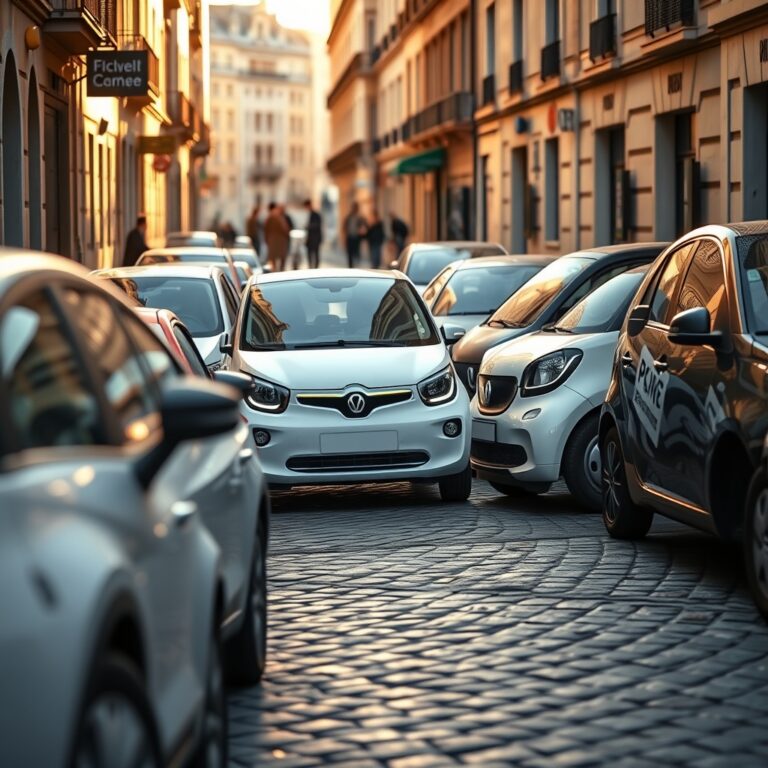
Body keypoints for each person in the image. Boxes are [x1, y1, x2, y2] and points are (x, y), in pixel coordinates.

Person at [264, 202, 290, 271]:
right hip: (281, 242)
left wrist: (266, 239)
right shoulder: (279, 217)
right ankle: (280, 271)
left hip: (272, 241)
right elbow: (285, 229)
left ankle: (274, 271)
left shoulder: (269, 217)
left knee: (273, 259)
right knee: (282, 259)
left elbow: (266, 229)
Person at [343, 202, 366, 268]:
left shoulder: (360, 218)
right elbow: (344, 227)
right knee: (350, 253)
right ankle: (351, 267)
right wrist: (344, 237)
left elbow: (364, 226)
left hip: (357, 238)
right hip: (350, 237)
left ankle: (356, 265)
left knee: (356, 253)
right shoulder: (348, 217)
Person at [305, 198, 323, 269]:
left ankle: (315, 267)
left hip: (315, 238)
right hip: (310, 238)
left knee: (315, 253)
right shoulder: (310, 214)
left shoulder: (316, 215)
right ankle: (311, 267)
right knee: (310, 254)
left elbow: (317, 225)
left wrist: (308, 226)